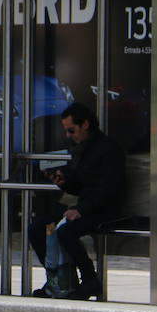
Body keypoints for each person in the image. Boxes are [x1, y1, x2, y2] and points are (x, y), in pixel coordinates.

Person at [28, 102, 126, 300]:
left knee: (65, 231)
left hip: (104, 208)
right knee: (37, 228)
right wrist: (64, 183)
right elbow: (83, 186)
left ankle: (89, 279)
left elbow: (108, 189)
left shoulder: (108, 149)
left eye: (71, 130)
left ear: (85, 125)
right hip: (87, 205)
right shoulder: (82, 149)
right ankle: (57, 277)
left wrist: (81, 209)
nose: (68, 135)